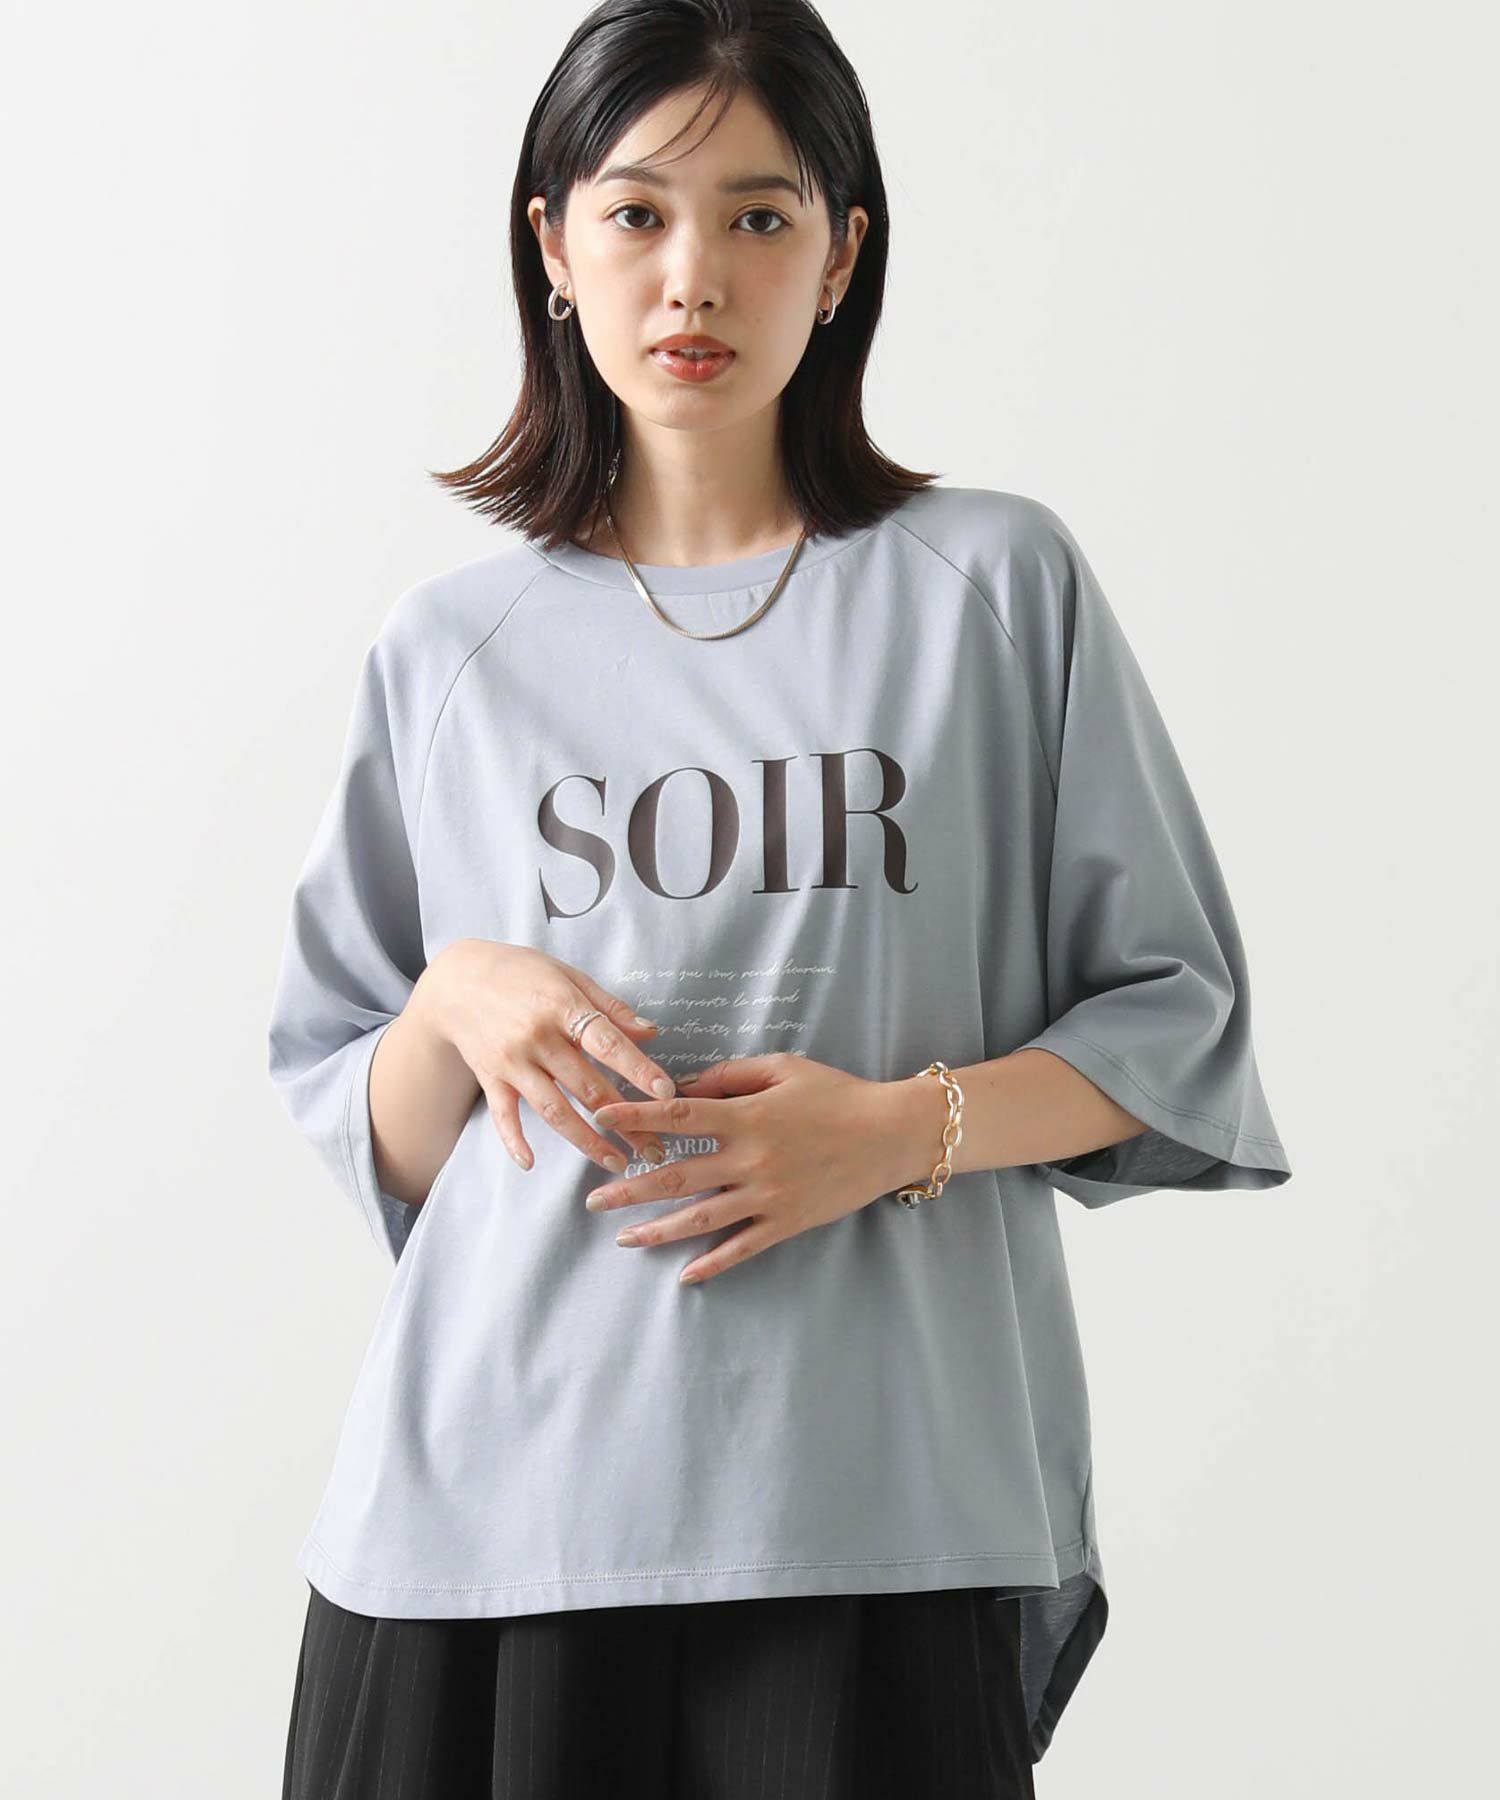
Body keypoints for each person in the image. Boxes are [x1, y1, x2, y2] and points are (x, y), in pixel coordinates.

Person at [268, 3, 1293, 1795]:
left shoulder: (992, 589)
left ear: (842, 255)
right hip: (492, 1522)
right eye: (636, 213)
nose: (695, 276)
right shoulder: (448, 650)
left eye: (760, 214)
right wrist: (448, 1002)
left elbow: (1175, 1020)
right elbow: (395, 1143)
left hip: (879, 1502)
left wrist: (896, 1132)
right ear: (553, 247)